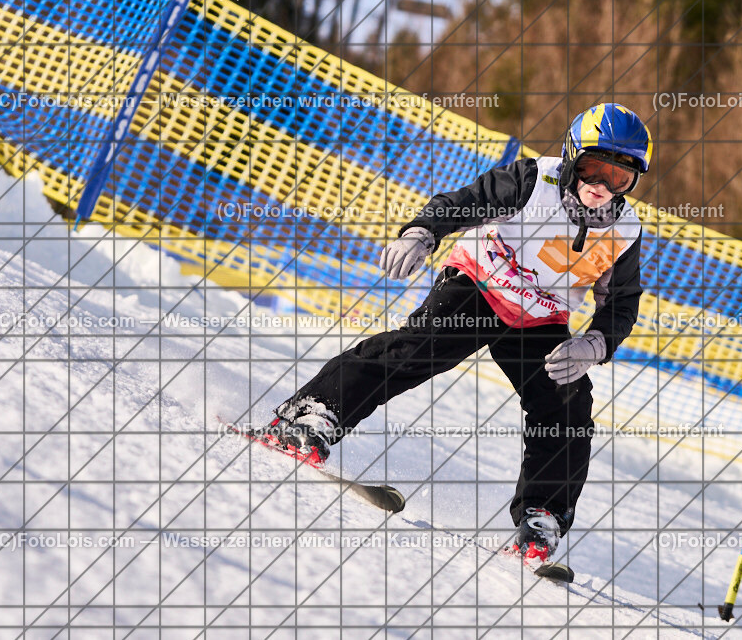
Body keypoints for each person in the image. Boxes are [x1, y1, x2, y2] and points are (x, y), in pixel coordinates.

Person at [265, 103, 649, 565]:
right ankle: (313, 414)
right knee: (419, 349)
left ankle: (542, 515)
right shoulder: (532, 181)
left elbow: (622, 302)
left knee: (567, 401)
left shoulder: (625, 230)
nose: (601, 187)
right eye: (592, 169)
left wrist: (596, 343)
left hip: (540, 320)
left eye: (619, 178)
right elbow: (465, 202)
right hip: (482, 283)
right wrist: (423, 231)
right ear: (571, 156)